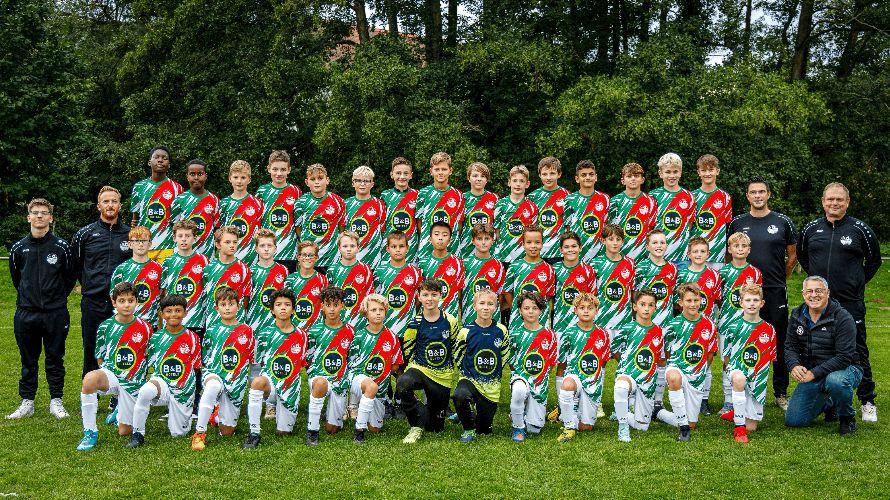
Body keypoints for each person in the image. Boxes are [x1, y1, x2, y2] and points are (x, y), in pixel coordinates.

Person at [797, 182, 881, 422]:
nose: (834, 203)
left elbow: (874, 261)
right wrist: (817, 289)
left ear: (847, 202)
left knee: (858, 349)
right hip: (818, 304)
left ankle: (867, 400)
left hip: (849, 303)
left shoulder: (860, 229)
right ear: (823, 202)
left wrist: (856, 283)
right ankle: (829, 401)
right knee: (820, 349)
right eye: (830, 199)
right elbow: (803, 257)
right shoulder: (811, 229)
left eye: (839, 200)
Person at [728, 176, 797, 410]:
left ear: (768, 194)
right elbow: (730, 255)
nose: (757, 196)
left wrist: (781, 278)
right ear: (747, 196)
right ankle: (741, 390)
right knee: (744, 339)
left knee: (778, 339)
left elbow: (793, 255)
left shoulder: (783, 222)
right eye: (753, 192)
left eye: (761, 192)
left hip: (774, 290)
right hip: (744, 294)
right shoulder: (737, 222)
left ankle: (780, 392)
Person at [8, 198, 77, 419]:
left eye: (44, 212)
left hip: (55, 313)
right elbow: (17, 278)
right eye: (35, 212)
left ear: (51, 217)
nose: (39, 216)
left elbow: (69, 278)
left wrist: (55, 298)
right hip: (26, 313)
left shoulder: (62, 247)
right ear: (28, 217)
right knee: (28, 360)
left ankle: (56, 401)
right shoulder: (18, 248)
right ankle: (27, 401)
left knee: (55, 358)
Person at [77, 282, 153, 450]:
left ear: (136, 302)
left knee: (124, 431)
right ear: (114, 302)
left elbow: (149, 357)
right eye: (121, 301)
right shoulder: (105, 326)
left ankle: (120, 409)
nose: (126, 305)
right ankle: (90, 432)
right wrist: (107, 375)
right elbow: (100, 357)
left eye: (130, 300)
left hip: (133, 382)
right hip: (112, 375)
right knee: (89, 379)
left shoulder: (146, 328)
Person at [785, 276, 862, 435]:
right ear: (803, 294)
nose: (814, 295)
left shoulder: (843, 317)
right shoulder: (797, 314)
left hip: (846, 369)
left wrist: (813, 373)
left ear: (827, 293)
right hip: (814, 373)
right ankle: (830, 402)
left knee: (836, 381)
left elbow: (844, 357)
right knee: (794, 421)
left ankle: (847, 417)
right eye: (809, 291)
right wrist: (794, 365)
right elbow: (790, 346)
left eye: (819, 291)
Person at [72, 186, 132, 377]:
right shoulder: (85, 234)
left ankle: (121, 391)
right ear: (98, 206)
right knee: (91, 350)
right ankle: (90, 392)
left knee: (122, 349)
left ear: (120, 205)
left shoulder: (130, 234)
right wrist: (88, 285)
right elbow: (75, 265)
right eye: (106, 201)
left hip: (122, 303)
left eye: (114, 201)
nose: (110, 205)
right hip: (93, 303)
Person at [128, 294, 201, 447]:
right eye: (168, 311)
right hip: (162, 383)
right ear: (162, 314)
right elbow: (149, 363)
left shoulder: (193, 337)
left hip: (183, 389)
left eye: (178, 310)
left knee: (178, 434)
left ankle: (180, 414)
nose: (173, 314)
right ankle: (137, 433)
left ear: (185, 313)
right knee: (146, 391)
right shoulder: (156, 338)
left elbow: (195, 368)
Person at [396, 278, 461, 444]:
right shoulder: (415, 323)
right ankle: (415, 425)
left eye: (434, 294)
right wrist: (412, 368)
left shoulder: (451, 321)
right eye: (425, 295)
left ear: (441, 296)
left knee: (435, 427)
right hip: (420, 369)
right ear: (419, 297)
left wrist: (452, 370)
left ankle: (428, 413)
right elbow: (408, 349)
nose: (429, 299)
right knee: (403, 383)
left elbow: (455, 346)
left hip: (442, 376)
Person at [191, 287, 255, 451]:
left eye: (231, 304)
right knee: (213, 386)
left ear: (238, 306)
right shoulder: (212, 330)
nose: (227, 308)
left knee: (227, 433)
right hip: (215, 374)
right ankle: (199, 433)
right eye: (223, 304)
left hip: (236, 380)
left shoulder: (247, 331)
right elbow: (205, 356)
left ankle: (217, 413)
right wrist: (208, 374)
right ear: (216, 308)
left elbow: (249, 359)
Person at [243, 289, 308, 448]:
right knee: (258, 382)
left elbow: (301, 365)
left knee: (283, 433)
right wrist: (258, 384)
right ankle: (254, 433)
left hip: (290, 387)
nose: (283, 308)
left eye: (287, 304)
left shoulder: (302, 335)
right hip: (270, 385)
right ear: (272, 310)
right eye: (278, 305)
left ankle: (282, 410)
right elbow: (257, 364)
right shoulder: (265, 333)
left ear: (293, 309)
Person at [656, 283, 718, 442]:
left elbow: (710, 354)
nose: (693, 304)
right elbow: (667, 353)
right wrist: (674, 368)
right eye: (689, 300)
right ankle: (683, 430)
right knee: (674, 377)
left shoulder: (709, 325)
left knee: (692, 424)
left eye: (696, 300)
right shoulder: (673, 325)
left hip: (697, 376)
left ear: (701, 301)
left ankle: (659, 413)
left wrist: (700, 371)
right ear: (680, 302)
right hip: (678, 368)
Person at [719, 284, 777, 443]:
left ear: (762, 303)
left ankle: (738, 411)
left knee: (751, 427)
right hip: (737, 371)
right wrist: (733, 373)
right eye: (748, 300)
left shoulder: (769, 329)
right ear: (741, 303)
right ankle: (739, 428)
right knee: (739, 379)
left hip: (757, 377)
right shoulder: (733, 327)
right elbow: (726, 357)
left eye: (755, 300)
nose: (752, 304)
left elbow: (769, 359)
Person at [451, 289, 509, 443]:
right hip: (470, 378)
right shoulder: (466, 331)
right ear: (474, 306)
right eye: (482, 303)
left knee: (484, 430)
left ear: (495, 307)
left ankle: (468, 412)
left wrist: (493, 371)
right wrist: (466, 371)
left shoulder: (501, 330)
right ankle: (468, 428)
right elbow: (458, 354)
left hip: (491, 386)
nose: (486, 307)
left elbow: (504, 355)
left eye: (490, 304)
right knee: (460, 395)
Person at [345, 294, 404, 443]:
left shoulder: (392, 337)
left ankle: (365, 403)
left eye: (381, 310)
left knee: (375, 429)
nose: (378, 313)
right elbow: (350, 363)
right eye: (373, 310)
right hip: (359, 378)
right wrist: (366, 381)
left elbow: (395, 365)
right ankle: (359, 431)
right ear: (366, 313)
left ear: (385, 312)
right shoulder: (359, 336)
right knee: (371, 386)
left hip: (380, 387)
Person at [716, 232, 762, 415]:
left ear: (749, 250)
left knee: (746, 359)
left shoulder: (755, 272)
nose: (740, 249)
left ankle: (747, 396)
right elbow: (719, 298)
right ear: (729, 249)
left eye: (744, 246)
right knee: (727, 360)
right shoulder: (723, 272)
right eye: (736, 246)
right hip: (727, 322)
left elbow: (757, 298)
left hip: (748, 324)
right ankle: (728, 401)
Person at [555, 292, 611, 443]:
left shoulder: (603, 334)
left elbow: (603, 363)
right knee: (568, 384)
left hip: (593, 384)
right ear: (575, 310)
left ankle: (569, 412)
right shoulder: (569, 333)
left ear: (596, 311)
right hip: (575, 378)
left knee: (586, 427)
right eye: (582, 307)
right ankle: (568, 425)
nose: (586, 311)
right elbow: (562, 364)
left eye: (590, 308)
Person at [611, 289, 664, 442]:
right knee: (621, 386)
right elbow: (613, 348)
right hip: (629, 375)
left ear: (655, 308)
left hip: (647, 381)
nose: (646, 308)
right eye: (642, 304)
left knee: (642, 427)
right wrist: (625, 364)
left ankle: (622, 413)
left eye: (650, 305)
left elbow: (658, 358)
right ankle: (623, 427)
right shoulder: (627, 328)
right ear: (635, 306)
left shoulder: (658, 331)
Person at [304, 286, 355, 446]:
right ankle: (312, 430)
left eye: (336, 305)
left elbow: (352, 359)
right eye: (328, 305)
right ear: (322, 306)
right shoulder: (314, 331)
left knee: (332, 429)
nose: (332, 309)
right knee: (320, 383)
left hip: (339, 380)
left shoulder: (350, 331)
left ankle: (330, 413)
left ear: (342, 306)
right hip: (320, 377)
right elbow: (307, 359)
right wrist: (314, 376)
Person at [508, 292, 558, 442]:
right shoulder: (515, 333)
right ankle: (517, 427)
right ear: (520, 310)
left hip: (539, 382)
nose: (530, 311)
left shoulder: (549, 334)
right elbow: (511, 360)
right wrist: (518, 376)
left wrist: (539, 379)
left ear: (541, 310)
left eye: (535, 308)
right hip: (521, 376)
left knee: (534, 429)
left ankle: (521, 413)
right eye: (526, 308)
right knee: (518, 391)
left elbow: (551, 362)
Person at [129, 146, 183, 262]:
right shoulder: (139, 187)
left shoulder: (177, 188)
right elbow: (135, 219)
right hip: (144, 246)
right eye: (156, 157)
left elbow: (178, 221)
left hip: (168, 247)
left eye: (164, 158)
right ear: (149, 162)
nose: (160, 160)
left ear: (169, 164)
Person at [293, 163, 346, 273]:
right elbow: (298, 228)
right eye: (313, 179)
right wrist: (308, 245)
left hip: (331, 257)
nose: (317, 182)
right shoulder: (301, 202)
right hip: (309, 258)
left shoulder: (338, 201)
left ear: (327, 180)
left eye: (320, 178)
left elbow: (341, 228)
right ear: (307, 182)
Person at [255, 150, 302, 273]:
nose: (279, 173)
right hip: (266, 251)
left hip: (289, 252)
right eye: (275, 169)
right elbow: (257, 222)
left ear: (289, 170)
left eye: (283, 169)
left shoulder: (295, 191)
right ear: (269, 169)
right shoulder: (262, 191)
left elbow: (299, 222)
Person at [502, 224, 555, 332]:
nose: (533, 246)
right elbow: (507, 292)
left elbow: (549, 297)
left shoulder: (549, 269)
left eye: (537, 242)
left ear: (542, 244)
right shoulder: (514, 266)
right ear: (523, 244)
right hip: (518, 321)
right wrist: (519, 308)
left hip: (541, 321)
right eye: (529, 242)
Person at [160, 220, 209, 332]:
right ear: (174, 238)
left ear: (194, 238)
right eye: (180, 236)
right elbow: (163, 292)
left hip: (196, 318)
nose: (184, 239)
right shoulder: (168, 261)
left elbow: (207, 289)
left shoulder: (203, 260)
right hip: (174, 319)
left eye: (187, 236)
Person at [110, 226, 163, 327]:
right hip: (127, 322)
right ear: (130, 244)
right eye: (137, 241)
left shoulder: (158, 268)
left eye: (144, 241)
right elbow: (113, 295)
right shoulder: (121, 269)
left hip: (150, 322)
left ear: (150, 244)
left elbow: (163, 294)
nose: (140, 244)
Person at [415, 152, 464, 259]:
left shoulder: (458, 195)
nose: (440, 172)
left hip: (452, 247)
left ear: (450, 171)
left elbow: (459, 224)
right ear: (431, 171)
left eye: (444, 169)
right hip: (427, 249)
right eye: (437, 169)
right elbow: (419, 222)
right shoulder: (423, 193)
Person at [649, 153, 695, 264]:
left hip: (682, 256)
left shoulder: (689, 196)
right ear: (660, 173)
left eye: (675, 172)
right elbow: (650, 226)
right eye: (668, 172)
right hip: (659, 256)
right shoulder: (653, 196)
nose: (672, 175)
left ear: (680, 172)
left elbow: (689, 225)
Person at [607, 162, 657, 261]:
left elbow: (652, 229)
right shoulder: (615, 201)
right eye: (629, 176)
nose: (633, 179)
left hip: (644, 256)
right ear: (623, 181)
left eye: (636, 176)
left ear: (642, 180)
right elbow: (610, 231)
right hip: (620, 255)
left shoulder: (650, 201)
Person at [326, 231, 376, 330]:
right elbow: (328, 297)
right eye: (345, 246)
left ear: (358, 248)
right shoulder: (332, 269)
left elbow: (370, 296)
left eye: (352, 246)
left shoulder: (365, 269)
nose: (348, 249)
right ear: (339, 248)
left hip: (360, 320)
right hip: (338, 320)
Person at [591, 224, 635, 334]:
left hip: (624, 320)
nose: (615, 243)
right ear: (603, 240)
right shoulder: (596, 263)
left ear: (622, 242)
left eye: (618, 239)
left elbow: (633, 292)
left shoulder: (630, 263)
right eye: (611, 239)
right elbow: (591, 294)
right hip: (602, 321)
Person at [170, 159, 220, 256]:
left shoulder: (214, 200)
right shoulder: (179, 200)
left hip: (207, 254)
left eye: (200, 174)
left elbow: (216, 228)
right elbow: (174, 226)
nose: (196, 177)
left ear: (205, 176)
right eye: (192, 174)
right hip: (184, 254)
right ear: (187, 177)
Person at [563, 160, 610, 261]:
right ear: (577, 179)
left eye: (591, 174)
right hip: (577, 254)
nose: (588, 177)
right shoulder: (569, 199)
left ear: (595, 177)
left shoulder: (605, 198)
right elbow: (567, 228)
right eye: (583, 175)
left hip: (600, 254)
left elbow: (608, 226)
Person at [218, 159, 264, 265]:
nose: (239, 181)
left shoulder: (257, 203)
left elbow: (261, 232)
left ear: (249, 179)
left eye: (243, 177)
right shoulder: (223, 204)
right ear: (230, 178)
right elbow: (220, 232)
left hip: (252, 259)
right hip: (229, 259)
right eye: (235, 177)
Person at [417, 221, 465, 320]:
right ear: (430, 239)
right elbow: (420, 293)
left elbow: (459, 293)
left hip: (450, 317)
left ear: (450, 240)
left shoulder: (457, 262)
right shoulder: (422, 263)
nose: (440, 238)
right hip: (428, 317)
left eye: (444, 235)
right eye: (436, 234)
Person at [690, 154, 732, 269]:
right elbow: (688, 226)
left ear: (717, 171)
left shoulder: (725, 197)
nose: (707, 173)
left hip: (717, 255)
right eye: (703, 170)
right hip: (696, 255)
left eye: (711, 170)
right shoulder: (692, 197)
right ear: (698, 172)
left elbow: (727, 227)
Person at [245, 229, 290, 335]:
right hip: (255, 323)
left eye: (269, 245)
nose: (266, 249)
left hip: (277, 325)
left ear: (275, 248)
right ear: (256, 249)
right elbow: (245, 302)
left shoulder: (283, 270)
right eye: (262, 246)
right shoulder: (250, 271)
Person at [461, 223, 506, 327]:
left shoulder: (498, 265)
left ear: (492, 240)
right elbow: (460, 294)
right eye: (479, 239)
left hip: (493, 319)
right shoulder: (465, 263)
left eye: (487, 238)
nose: (483, 242)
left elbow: (500, 295)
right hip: (470, 317)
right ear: (473, 241)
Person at [493, 165, 539, 266]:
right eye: (515, 181)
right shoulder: (501, 204)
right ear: (509, 182)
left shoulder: (532, 207)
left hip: (524, 257)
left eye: (522, 181)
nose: (518, 184)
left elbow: (533, 233)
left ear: (527, 184)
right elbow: (497, 231)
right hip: (503, 256)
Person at [344, 165, 388, 269]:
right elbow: (343, 232)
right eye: (358, 180)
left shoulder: (379, 204)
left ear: (372, 184)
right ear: (353, 183)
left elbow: (383, 231)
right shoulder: (346, 204)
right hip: (351, 259)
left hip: (374, 259)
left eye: (366, 181)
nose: (362, 184)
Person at [528, 157, 569, 264]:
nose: (548, 177)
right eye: (544, 174)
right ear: (539, 175)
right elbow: (530, 226)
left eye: (552, 173)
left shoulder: (567, 196)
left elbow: (569, 225)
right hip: (538, 251)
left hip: (559, 251)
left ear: (559, 174)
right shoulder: (533, 197)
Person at [283, 240, 330, 330]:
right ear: (298, 257)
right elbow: (286, 305)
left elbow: (326, 306)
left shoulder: (323, 280)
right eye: (304, 255)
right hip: (295, 329)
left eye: (311, 255)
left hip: (316, 329)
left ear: (316, 257)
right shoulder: (290, 279)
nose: (307, 258)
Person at [380, 157, 419, 263]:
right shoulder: (385, 195)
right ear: (392, 174)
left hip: (411, 247)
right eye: (398, 173)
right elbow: (382, 225)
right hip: (390, 248)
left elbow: (419, 223)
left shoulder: (417, 195)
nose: (402, 177)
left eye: (405, 173)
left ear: (411, 175)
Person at [457, 162, 498, 259]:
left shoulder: (494, 199)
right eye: (475, 176)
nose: (479, 179)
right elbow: (459, 227)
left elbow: (497, 226)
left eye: (482, 176)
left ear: (487, 180)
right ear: (469, 178)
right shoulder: (462, 198)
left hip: (488, 251)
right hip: (466, 250)